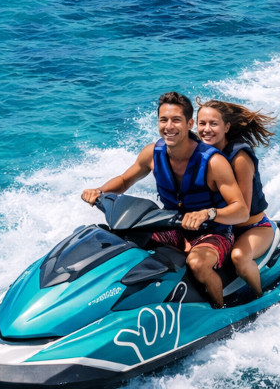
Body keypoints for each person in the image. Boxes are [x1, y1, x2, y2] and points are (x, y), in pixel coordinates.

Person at [81, 91, 249, 308]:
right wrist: (99, 191)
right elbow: (124, 181)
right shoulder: (152, 153)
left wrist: (209, 213)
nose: (169, 126)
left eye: (176, 120)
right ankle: (110, 299)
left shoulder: (213, 162)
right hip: (173, 226)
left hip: (213, 232)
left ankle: (219, 309)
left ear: (189, 123)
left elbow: (241, 210)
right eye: (163, 120)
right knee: (122, 238)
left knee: (197, 264)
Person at [196, 99, 275, 299]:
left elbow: (243, 212)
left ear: (226, 127)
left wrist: (208, 215)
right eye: (202, 123)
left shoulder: (239, 157)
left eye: (213, 124)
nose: (206, 129)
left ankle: (259, 297)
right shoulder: (199, 153)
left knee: (239, 257)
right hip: (220, 229)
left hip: (253, 227)